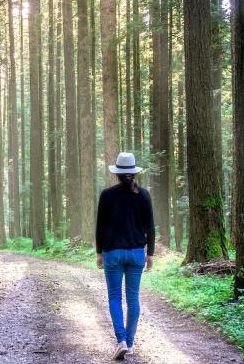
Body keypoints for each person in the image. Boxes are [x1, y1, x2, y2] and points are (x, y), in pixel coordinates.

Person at [94, 152, 155, 360]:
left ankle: (121, 340)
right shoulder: (144, 195)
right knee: (133, 298)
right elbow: (150, 228)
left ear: (118, 174)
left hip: (113, 253)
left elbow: (100, 227)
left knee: (114, 297)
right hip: (137, 253)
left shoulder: (107, 195)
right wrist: (151, 254)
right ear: (134, 173)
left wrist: (99, 253)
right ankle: (129, 343)